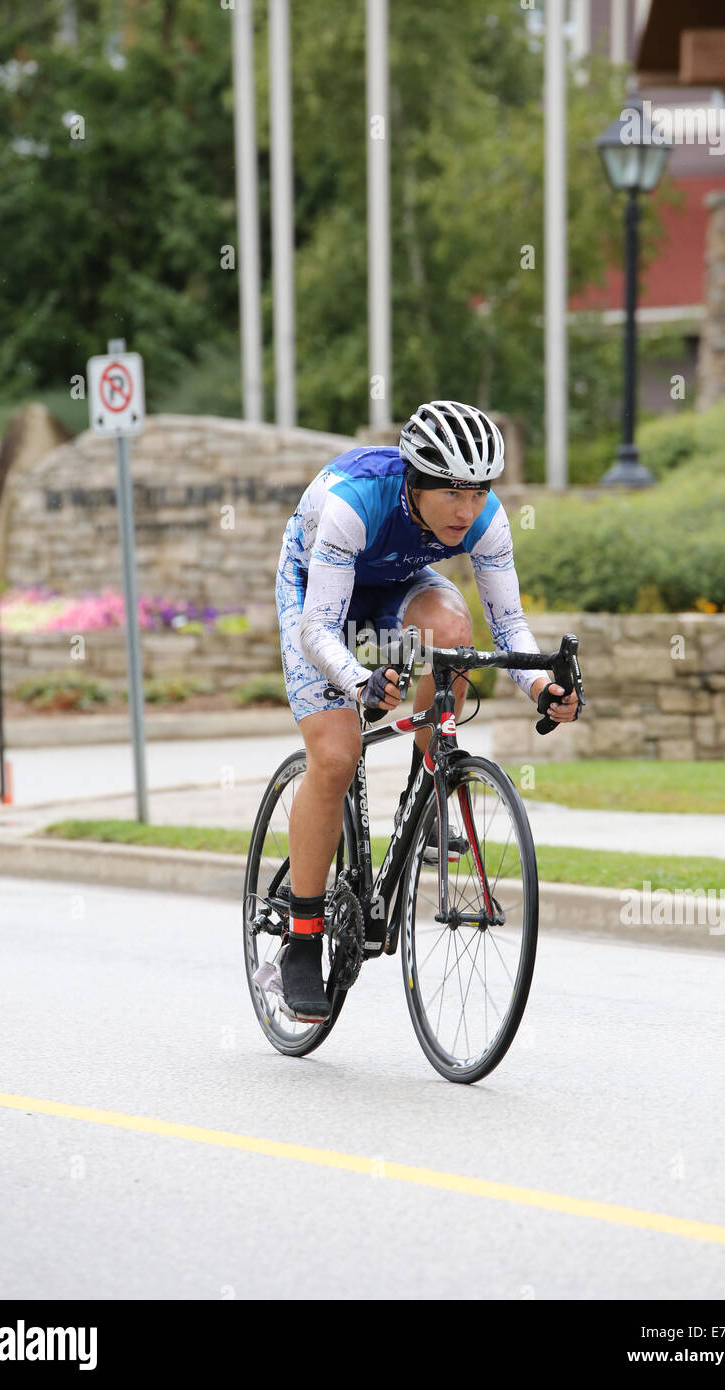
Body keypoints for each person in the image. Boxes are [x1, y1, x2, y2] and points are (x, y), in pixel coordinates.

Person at [274, 401, 579, 1021]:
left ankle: (433, 787)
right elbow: (319, 629)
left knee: (453, 626)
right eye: (453, 494)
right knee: (335, 756)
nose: (467, 511)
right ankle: (302, 940)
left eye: (480, 493)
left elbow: (508, 623)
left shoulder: (486, 521)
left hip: (397, 593)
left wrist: (539, 687)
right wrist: (361, 683)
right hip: (318, 600)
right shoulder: (353, 502)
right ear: (416, 481)